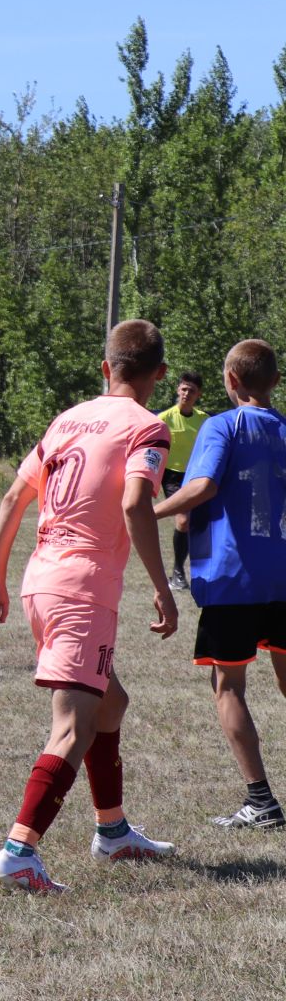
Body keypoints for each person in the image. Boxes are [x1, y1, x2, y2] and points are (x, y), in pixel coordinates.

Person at [0, 319, 180, 894]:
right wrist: (164, 588)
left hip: (41, 581)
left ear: (104, 368)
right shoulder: (147, 427)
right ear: (159, 375)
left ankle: (113, 833)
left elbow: (16, 493)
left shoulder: (67, 419)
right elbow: (138, 502)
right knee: (72, 726)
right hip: (83, 589)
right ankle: (19, 851)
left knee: (111, 701)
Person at [153, 339, 286, 830]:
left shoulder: (221, 425)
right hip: (284, 577)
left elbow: (203, 485)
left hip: (234, 578)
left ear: (231, 381)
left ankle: (261, 802)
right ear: (274, 381)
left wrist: (150, 511)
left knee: (228, 686)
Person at [157, 370, 207, 590]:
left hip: (197, 475)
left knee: (200, 523)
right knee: (184, 520)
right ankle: (177, 573)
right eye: (184, 388)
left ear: (198, 395)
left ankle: (201, 570)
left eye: (191, 390)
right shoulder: (164, 419)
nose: (186, 393)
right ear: (178, 390)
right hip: (172, 477)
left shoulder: (204, 420)